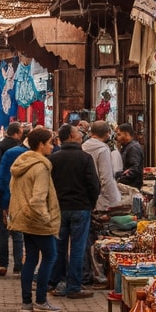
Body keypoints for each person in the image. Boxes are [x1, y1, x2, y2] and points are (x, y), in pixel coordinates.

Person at [9, 126, 61, 312]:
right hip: (38, 220)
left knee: (30, 258)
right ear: (41, 144)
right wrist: (46, 218)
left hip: (24, 217)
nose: (53, 147)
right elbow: (38, 198)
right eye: (50, 143)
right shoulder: (40, 167)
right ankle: (40, 299)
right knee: (50, 256)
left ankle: (26, 303)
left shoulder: (22, 162)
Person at [48, 124, 99, 299]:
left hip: (60, 208)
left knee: (59, 246)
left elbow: (49, 185)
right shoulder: (85, 158)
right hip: (80, 208)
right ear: (70, 136)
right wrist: (90, 203)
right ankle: (73, 286)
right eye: (78, 133)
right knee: (77, 247)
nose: (80, 135)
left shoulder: (54, 158)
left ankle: (57, 281)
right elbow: (94, 184)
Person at [0, 122, 24, 276]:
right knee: (17, 232)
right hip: (18, 195)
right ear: (17, 133)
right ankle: (18, 265)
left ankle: (3, 265)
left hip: (2, 194)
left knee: (3, 231)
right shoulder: (22, 151)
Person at [84, 122, 121, 212]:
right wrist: (114, 200)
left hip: (86, 197)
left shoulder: (83, 147)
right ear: (108, 132)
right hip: (102, 200)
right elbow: (106, 178)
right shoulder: (103, 150)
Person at [115, 124, 145, 190]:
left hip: (131, 187)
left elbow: (134, 169)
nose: (117, 138)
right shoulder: (126, 147)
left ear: (127, 135)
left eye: (119, 134)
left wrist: (120, 179)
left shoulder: (133, 148)